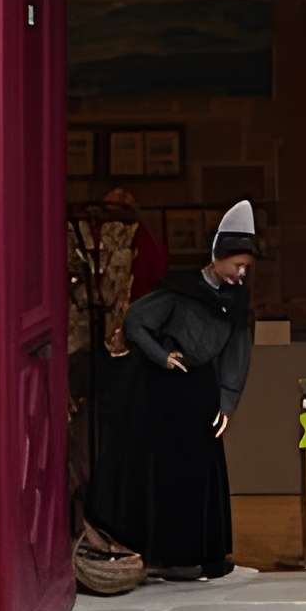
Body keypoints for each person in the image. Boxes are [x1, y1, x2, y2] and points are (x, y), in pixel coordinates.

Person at [90, 199, 256, 581]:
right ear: (218, 257)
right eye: (237, 265)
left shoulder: (236, 302)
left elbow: (236, 353)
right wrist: (162, 356)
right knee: (164, 472)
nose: (241, 273)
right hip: (162, 393)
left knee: (201, 471)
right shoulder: (180, 289)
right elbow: (136, 322)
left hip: (201, 392)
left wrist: (228, 400)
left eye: (246, 267)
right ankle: (164, 555)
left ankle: (203, 552)